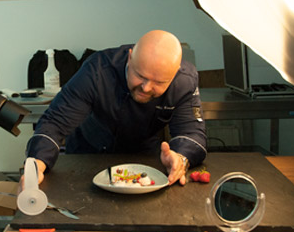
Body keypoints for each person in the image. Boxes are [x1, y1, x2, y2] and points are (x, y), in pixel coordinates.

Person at [26, 30, 207, 186]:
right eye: (140, 75)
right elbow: (55, 122)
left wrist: (181, 158)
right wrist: (36, 166)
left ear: (174, 74)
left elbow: (192, 134)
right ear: (130, 57)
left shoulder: (184, 80)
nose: (146, 87)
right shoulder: (96, 70)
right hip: (88, 153)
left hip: (143, 157)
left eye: (159, 83)